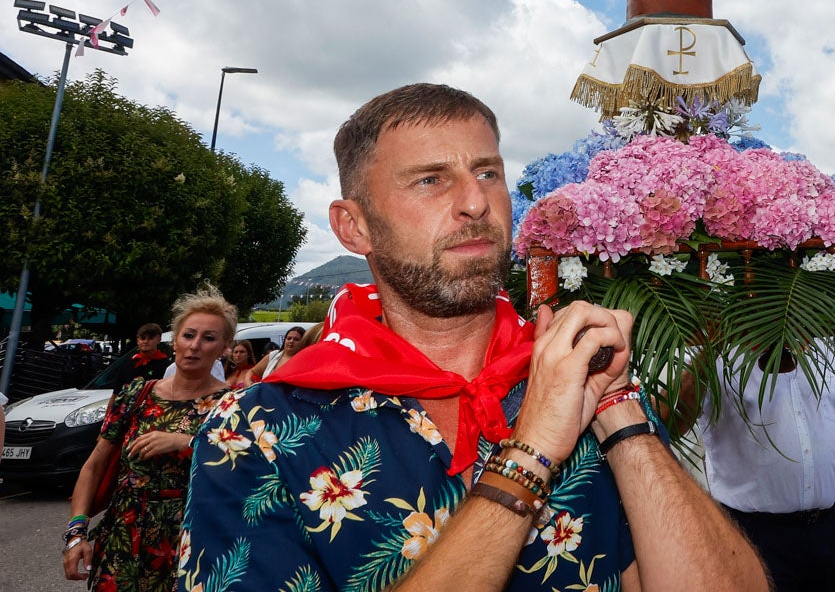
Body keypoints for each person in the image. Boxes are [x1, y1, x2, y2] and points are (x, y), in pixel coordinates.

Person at [178, 83, 766, 592]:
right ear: (354, 226)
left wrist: (622, 416)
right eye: (431, 180)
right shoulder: (257, 429)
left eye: (488, 172)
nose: (475, 202)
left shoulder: (574, 372)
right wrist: (531, 450)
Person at [673, 342, 835, 592]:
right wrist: (714, 343)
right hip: (750, 536)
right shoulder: (717, 354)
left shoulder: (830, 344)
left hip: (827, 529)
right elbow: (673, 424)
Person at [64, 287, 233, 591]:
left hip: (193, 542)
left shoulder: (234, 405)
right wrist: (77, 532)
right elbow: (94, 466)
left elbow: (247, 468)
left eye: (208, 338)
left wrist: (188, 443)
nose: (195, 346)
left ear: (224, 347)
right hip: (122, 537)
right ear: (174, 341)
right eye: (188, 335)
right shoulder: (135, 395)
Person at [112, 323, 169, 391]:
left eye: (150, 338)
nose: (145, 341)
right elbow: (115, 395)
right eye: (142, 338)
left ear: (159, 340)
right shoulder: (127, 364)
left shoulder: (166, 366)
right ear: (137, 341)